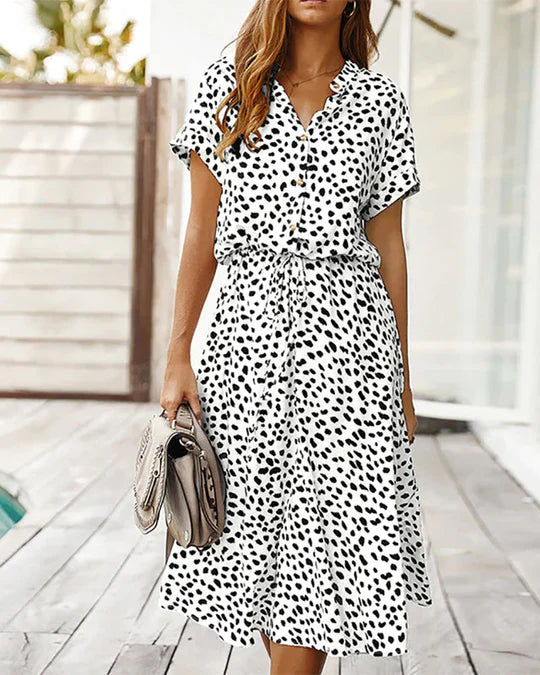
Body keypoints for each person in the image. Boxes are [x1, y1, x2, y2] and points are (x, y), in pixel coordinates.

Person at [158, 0, 432, 673]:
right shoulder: (229, 89)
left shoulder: (381, 103)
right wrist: (177, 354)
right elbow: (200, 233)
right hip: (245, 351)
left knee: (327, 546)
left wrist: (401, 380)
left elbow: (390, 250)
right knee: (254, 542)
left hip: (351, 354)